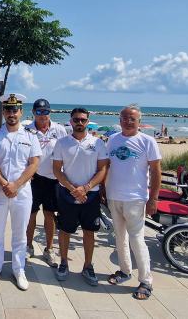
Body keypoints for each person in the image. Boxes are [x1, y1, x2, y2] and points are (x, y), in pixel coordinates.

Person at [101, 104, 161, 301]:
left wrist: (153, 198)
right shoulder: (112, 140)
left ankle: (146, 280)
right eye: (124, 118)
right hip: (114, 196)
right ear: (119, 120)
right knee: (119, 237)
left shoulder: (147, 141)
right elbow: (106, 166)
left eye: (132, 118)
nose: (128, 121)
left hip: (135, 198)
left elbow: (156, 171)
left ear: (139, 122)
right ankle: (125, 271)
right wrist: (102, 189)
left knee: (137, 239)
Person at [0, 93, 41, 291]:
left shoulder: (30, 136)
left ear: (21, 111)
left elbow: (34, 164)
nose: (11, 113)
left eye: (15, 109)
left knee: (20, 234)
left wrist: (16, 184)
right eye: (8, 109)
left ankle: (19, 269)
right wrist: (5, 183)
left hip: (22, 192)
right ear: (4, 111)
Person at [52, 108, 107, 286]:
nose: (79, 123)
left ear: (88, 121)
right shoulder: (62, 143)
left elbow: (103, 169)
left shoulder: (98, 143)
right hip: (67, 193)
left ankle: (87, 266)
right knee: (65, 230)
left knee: (89, 231)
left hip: (91, 195)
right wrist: (73, 189)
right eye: (76, 119)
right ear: (71, 121)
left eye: (83, 120)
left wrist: (86, 188)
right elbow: (56, 170)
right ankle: (64, 263)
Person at [24, 98, 67, 267]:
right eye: (39, 112)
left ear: (50, 112)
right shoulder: (27, 129)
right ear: (34, 113)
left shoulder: (60, 130)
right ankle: (28, 246)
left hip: (53, 179)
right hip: (33, 179)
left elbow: (66, 151)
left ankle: (49, 250)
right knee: (31, 214)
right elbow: (23, 152)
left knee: (50, 215)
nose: (43, 116)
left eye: (46, 112)